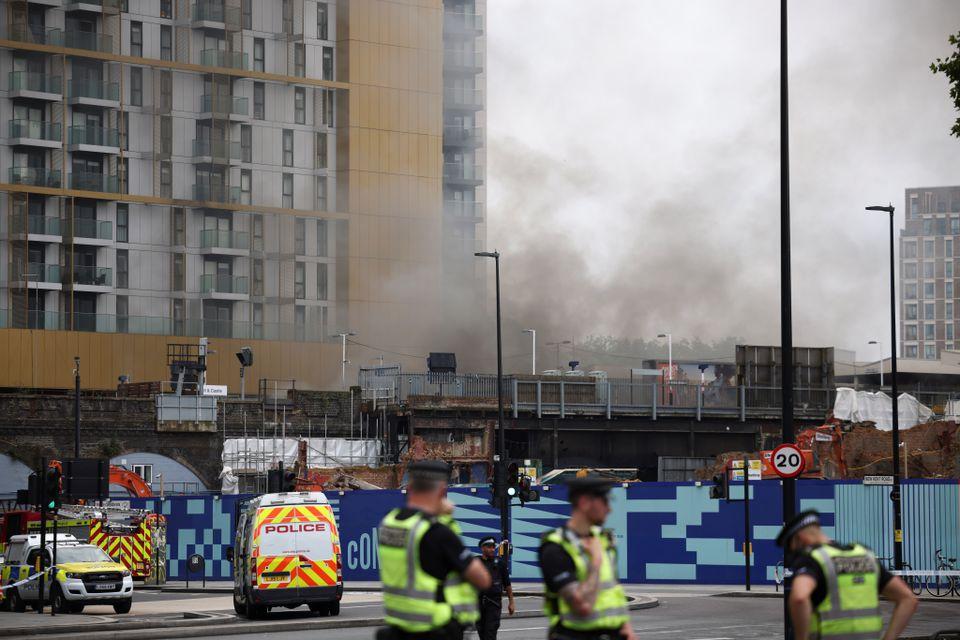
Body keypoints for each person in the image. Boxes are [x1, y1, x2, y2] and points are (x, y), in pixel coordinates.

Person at [378, 460, 492, 640]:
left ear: (409, 486)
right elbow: (483, 579)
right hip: (434, 628)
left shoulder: (389, 523)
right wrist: (447, 519)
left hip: (398, 626)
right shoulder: (438, 532)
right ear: (441, 490)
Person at [778, 509, 918, 640]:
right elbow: (908, 599)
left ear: (800, 538)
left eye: (793, 548)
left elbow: (799, 597)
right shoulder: (864, 556)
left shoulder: (814, 559)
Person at [538, 476, 634, 640]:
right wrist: (595, 562)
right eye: (605, 502)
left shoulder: (603, 539)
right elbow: (581, 606)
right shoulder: (555, 547)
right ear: (584, 503)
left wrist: (626, 628)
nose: (609, 509)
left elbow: (613, 590)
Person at [476, 536, 515, 640]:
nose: (492, 549)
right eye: (489, 547)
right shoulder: (475, 562)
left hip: (494, 604)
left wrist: (511, 602)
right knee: (482, 632)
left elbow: (507, 584)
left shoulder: (500, 563)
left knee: (490, 633)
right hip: (478, 604)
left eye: (493, 547)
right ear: (482, 548)